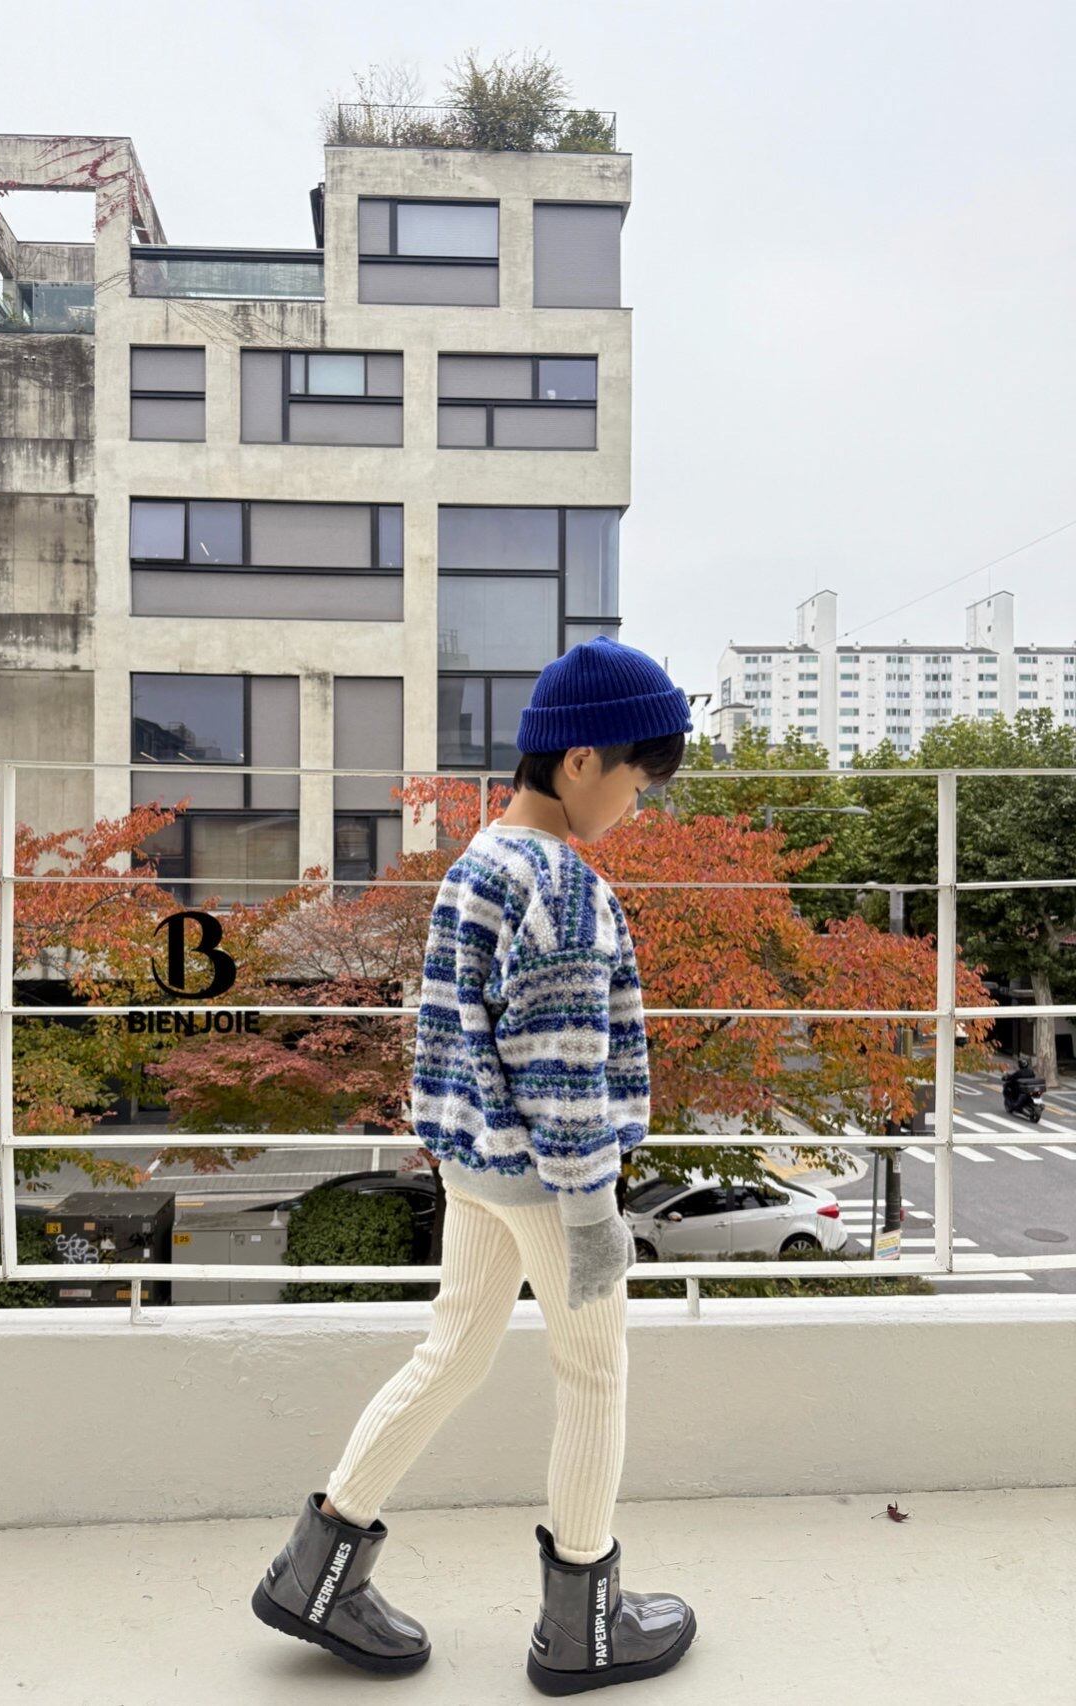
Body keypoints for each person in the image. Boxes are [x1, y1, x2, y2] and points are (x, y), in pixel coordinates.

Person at [251, 635, 699, 1693]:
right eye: (636, 781)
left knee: (450, 1351)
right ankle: (584, 1623)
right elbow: (562, 1070)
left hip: (473, 1166)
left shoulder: (476, 863)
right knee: (593, 1374)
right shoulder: (563, 887)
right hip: (549, 1181)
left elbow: (451, 1033)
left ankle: (315, 1572)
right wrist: (591, 1213)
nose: (636, 806)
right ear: (580, 760)